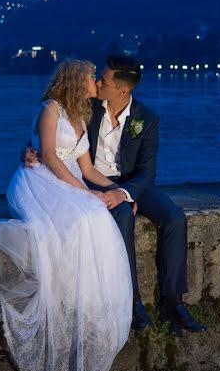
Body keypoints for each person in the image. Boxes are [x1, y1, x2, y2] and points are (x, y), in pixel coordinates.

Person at [0, 59, 132, 371]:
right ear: (75, 80)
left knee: (95, 216)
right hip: (39, 182)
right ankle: (70, 294)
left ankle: (91, 300)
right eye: (91, 76)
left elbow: (87, 167)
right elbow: (49, 157)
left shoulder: (82, 114)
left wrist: (114, 189)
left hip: (69, 181)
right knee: (85, 216)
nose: (96, 81)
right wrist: (87, 193)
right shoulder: (51, 109)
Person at [24, 55, 206, 337]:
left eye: (105, 80)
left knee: (174, 218)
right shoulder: (87, 106)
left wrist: (123, 193)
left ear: (123, 90)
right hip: (92, 181)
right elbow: (52, 139)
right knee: (121, 216)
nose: (98, 82)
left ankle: (174, 304)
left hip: (131, 184)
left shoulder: (147, 119)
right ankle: (131, 302)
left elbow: (147, 173)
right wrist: (27, 152)